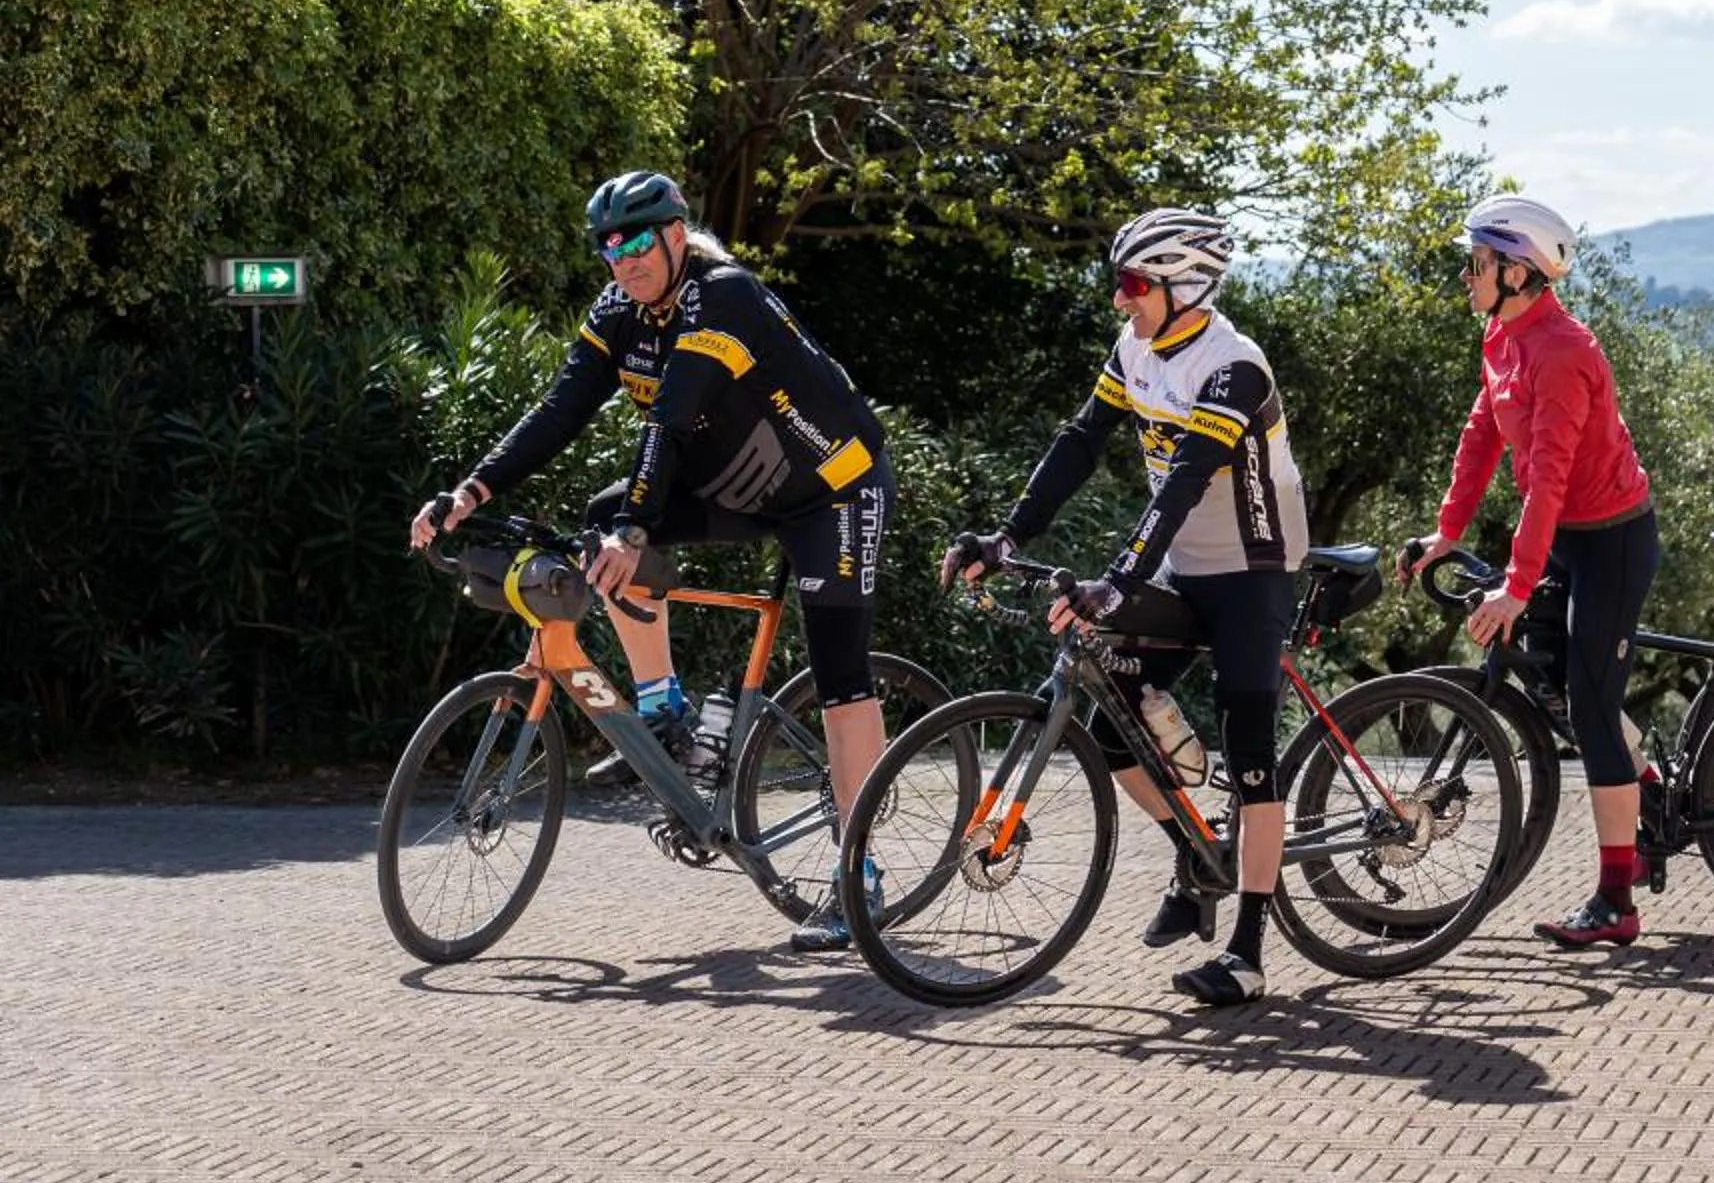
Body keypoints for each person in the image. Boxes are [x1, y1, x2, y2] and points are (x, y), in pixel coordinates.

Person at [408, 169, 895, 950]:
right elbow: (559, 409)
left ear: (675, 234)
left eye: (635, 239)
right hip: (739, 487)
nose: (620, 258)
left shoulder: (723, 294)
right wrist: (468, 493)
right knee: (604, 518)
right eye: (606, 246)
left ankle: (859, 869)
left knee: (839, 674)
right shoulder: (618, 313)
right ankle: (665, 712)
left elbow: (669, 422)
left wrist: (636, 530)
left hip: (831, 489)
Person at [943, 208, 1308, 1008]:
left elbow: (1184, 482)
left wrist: (1116, 576)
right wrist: (1007, 537)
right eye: (1121, 283)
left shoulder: (1233, 366)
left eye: (1137, 285)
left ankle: (1248, 950)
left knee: (1252, 756)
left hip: (1253, 572)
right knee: (1106, 727)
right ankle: (1197, 848)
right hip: (1182, 568)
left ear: (1189, 286)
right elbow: (1080, 440)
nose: (1121, 300)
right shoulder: (1136, 347)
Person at [1405, 194, 1662, 948]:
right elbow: (1482, 435)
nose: (1467, 275)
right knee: (1553, 681)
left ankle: (1618, 901)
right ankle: (1643, 788)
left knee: (1589, 705)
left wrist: (1517, 586)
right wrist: (1447, 531)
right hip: (1564, 537)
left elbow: (1547, 478)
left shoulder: (1564, 351)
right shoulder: (1503, 335)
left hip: (1612, 538)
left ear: (1518, 271)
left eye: (1478, 262)